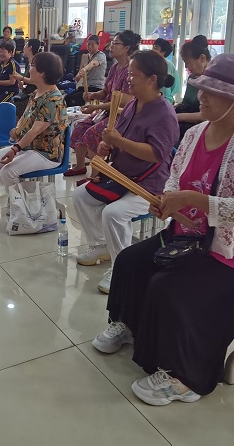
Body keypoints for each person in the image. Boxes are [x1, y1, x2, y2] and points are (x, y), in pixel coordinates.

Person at [90, 52, 234, 407]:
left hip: (228, 253)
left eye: (212, 92)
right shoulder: (196, 133)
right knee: (129, 261)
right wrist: (167, 200)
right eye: (202, 89)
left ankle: (185, 376)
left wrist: (191, 199)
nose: (201, 97)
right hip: (185, 237)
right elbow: (174, 178)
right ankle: (129, 324)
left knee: (169, 287)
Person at [72, 50, 179, 293]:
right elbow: (117, 135)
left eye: (134, 75)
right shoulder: (132, 104)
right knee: (80, 197)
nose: (128, 79)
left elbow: (156, 154)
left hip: (150, 183)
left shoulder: (165, 114)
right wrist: (107, 145)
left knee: (113, 213)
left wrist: (118, 141)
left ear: (152, 79)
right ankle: (100, 245)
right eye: (129, 74)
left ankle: (123, 267)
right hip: (121, 175)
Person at [64, 30, 139, 178]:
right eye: (112, 43)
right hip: (105, 112)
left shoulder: (130, 71)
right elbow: (105, 91)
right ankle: (80, 166)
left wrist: (96, 107)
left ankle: (96, 175)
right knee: (80, 127)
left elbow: (123, 101)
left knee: (93, 133)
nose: (111, 46)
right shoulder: (115, 68)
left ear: (127, 48)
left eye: (115, 43)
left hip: (120, 116)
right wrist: (93, 95)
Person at [0, 52, 67, 187]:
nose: (30, 68)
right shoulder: (36, 93)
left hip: (46, 152)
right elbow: (25, 116)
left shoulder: (53, 100)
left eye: (32, 65)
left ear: (42, 73)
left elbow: (35, 131)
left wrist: (15, 149)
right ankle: (20, 195)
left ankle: (21, 197)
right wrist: (17, 129)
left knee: (7, 172)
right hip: (29, 146)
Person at [175, 38, 211, 140]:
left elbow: (206, 116)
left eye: (188, 62)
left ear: (202, 58)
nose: (186, 66)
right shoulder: (192, 78)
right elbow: (186, 103)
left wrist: (178, 117)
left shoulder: (214, 83)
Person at [65, 35, 107, 107]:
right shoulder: (85, 56)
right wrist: (77, 77)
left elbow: (93, 63)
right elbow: (81, 70)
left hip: (96, 87)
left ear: (98, 45)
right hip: (85, 86)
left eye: (92, 45)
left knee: (75, 99)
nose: (90, 47)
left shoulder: (101, 55)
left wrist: (85, 69)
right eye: (88, 44)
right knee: (67, 98)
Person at [153, 37, 182, 102]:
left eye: (156, 47)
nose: (153, 49)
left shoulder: (166, 64)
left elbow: (167, 86)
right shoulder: (154, 62)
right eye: (153, 46)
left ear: (163, 52)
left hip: (165, 98)